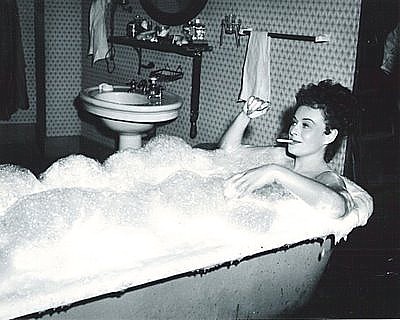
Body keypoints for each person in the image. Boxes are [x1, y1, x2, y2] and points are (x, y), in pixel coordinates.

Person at [220, 79, 357, 218]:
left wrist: (275, 172)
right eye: (294, 122)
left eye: (306, 125)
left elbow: (338, 208)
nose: (293, 130)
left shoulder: (325, 177)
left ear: (329, 136)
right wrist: (245, 116)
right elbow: (226, 153)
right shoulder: (281, 156)